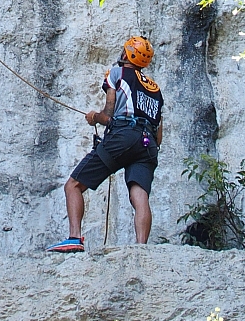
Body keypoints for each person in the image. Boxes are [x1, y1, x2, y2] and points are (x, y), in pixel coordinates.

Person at [47, 36, 163, 253]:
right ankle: (142, 249)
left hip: (124, 136)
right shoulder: (156, 89)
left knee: (73, 185)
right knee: (140, 194)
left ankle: (74, 238)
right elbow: (159, 137)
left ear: (127, 54)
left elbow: (108, 115)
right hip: (148, 145)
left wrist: (94, 117)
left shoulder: (117, 73)